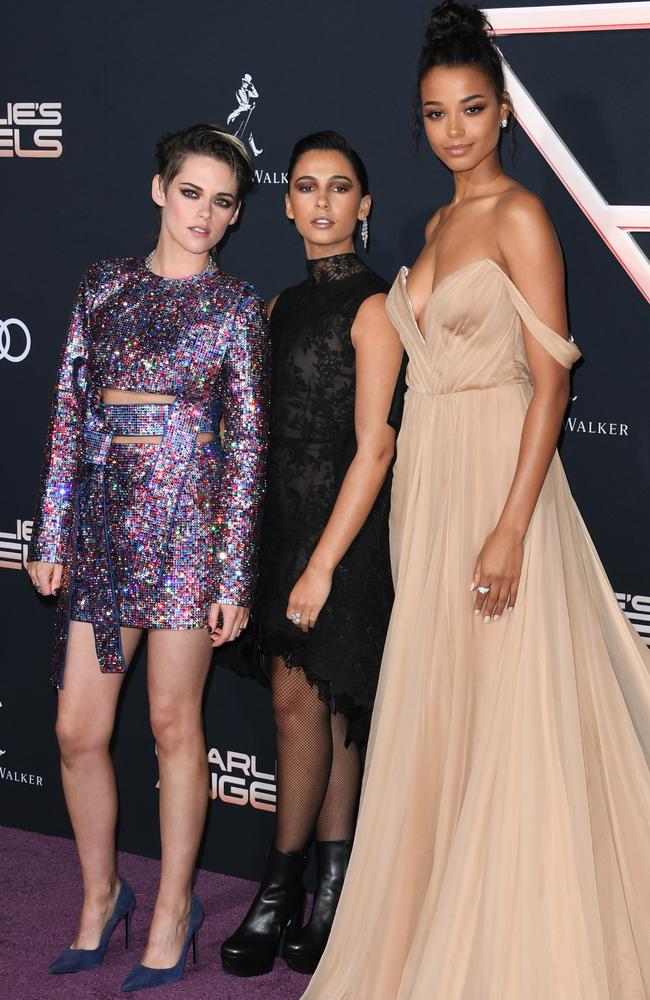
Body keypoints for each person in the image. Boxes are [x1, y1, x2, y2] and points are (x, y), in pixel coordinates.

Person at [301, 5, 650, 998]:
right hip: (429, 485)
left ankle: (517, 942)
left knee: (511, 707)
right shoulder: (434, 225)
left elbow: (549, 383)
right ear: (420, 123)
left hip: (500, 480)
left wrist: (508, 524)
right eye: (434, 113)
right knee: (443, 705)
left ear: (502, 114)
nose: (453, 129)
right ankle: (437, 908)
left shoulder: (519, 217)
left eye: (470, 108)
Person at [26, 123, 269, 992]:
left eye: (224, 200)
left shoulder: (239, 309)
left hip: (189, 539)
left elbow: (245, 450)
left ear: (237, 214)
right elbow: (68, 414)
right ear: (159, 189)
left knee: (174, 727)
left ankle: (173, 908)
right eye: (192, 191)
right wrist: (51, 531)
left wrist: (233, 574)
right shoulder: (103, 288)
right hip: (99, 528)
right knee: (76, 730)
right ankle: (101, 896)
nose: (205, 212)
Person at [218, 130, 404, 977]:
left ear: (363, 206)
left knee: (304, 707)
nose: (322, 202)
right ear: (285, 201)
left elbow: (375, 446)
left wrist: (324, 563)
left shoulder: (376, 305)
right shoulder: (276, 307)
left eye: (340, 188)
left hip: (347, 536)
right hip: (280, 527)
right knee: (324, 712)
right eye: (305, 187)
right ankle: (333, 889)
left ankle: (277, 888)